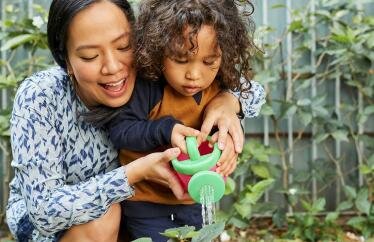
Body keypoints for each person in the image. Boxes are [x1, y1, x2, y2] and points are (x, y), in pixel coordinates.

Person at [5, 0, 264, 242]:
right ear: (66, 60)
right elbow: (44, 212)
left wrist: (228, 103)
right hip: (60, 226)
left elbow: (249, 88)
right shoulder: (41, 95)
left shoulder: (157, 66)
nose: (113, 67)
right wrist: (133, 174)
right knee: (105, 218)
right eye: (89, 57)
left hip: (137, 214)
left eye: (123, 46)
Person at [97, 0, 265, 241]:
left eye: (209, 62)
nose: (194, 75)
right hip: (147, 202)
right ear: (158, 48)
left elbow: (251, 98)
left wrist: (226, 143)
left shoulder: (220, 85)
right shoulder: (148, 87)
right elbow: (120, 131)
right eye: (180, 59)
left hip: (194, 198)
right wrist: (166, 130)